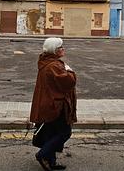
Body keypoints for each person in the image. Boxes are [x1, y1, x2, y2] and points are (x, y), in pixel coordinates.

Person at [30, 37, 77, 171]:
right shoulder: (54, 65)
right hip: (56, 105)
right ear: (54, 51)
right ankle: (42, 154)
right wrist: (69, 70)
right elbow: (69, 81)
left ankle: (51, 162)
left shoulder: (46, 61)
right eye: (60, 47)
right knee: (64, 132)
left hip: (48, 103)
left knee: (52, 132)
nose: (63, 49)